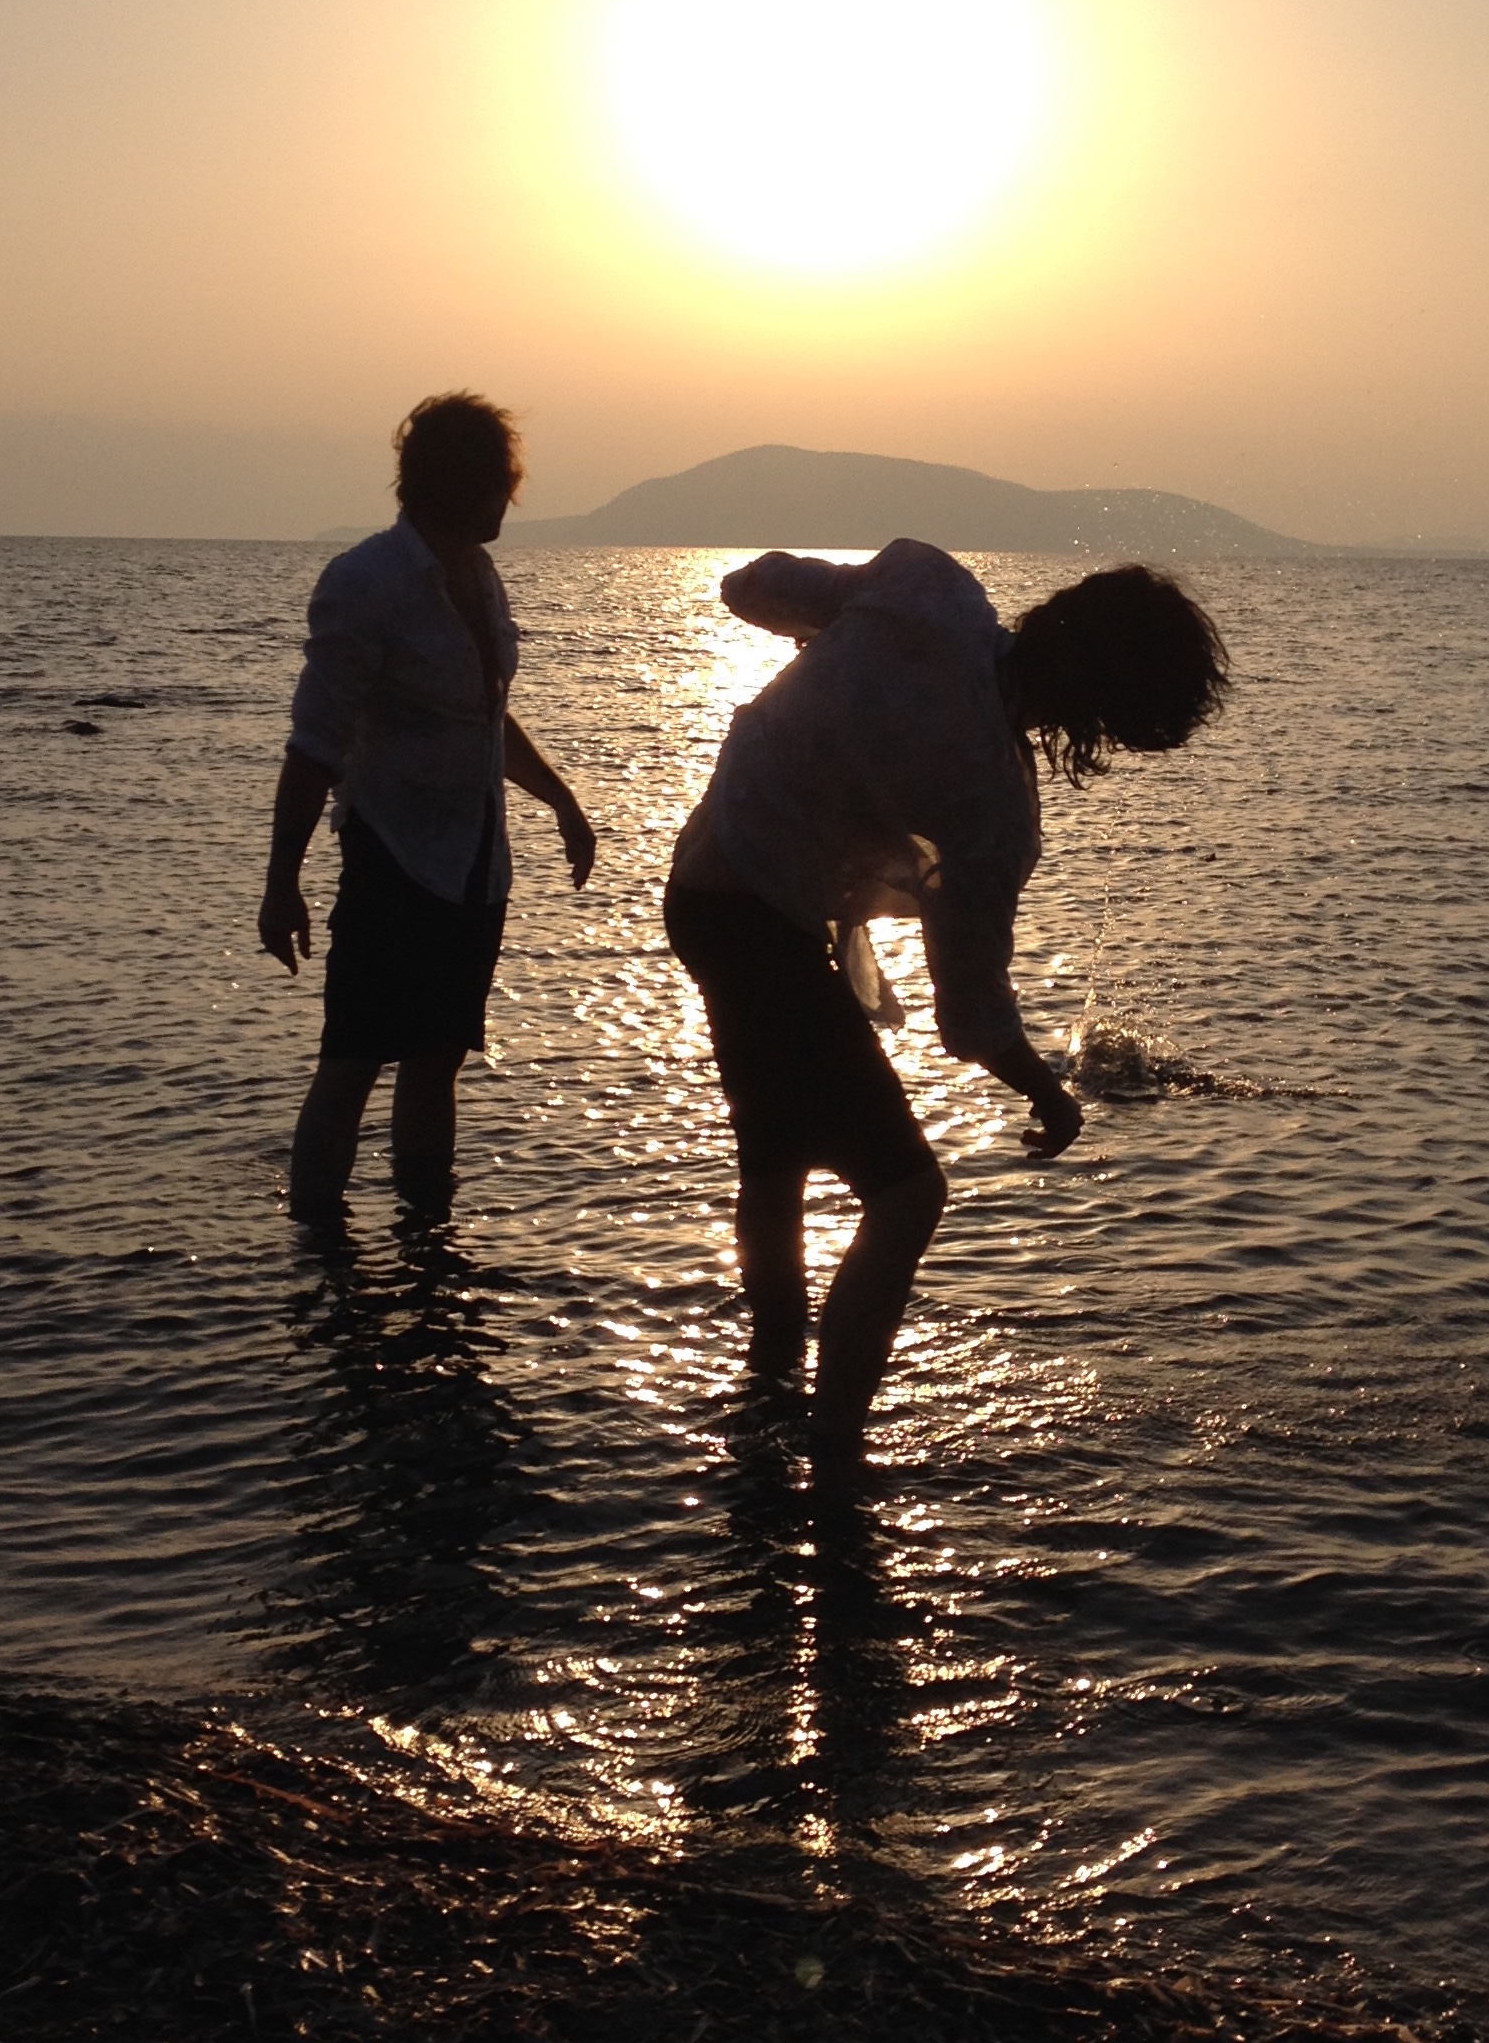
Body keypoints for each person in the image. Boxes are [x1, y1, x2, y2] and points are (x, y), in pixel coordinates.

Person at [664, 538, 1228, 1467]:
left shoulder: (930, 590)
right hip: (757, 927)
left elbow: (751, 585)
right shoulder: (993, 808)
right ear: (1107, 711)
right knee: (908, 1191)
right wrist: (1047, 1092)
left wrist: (825, 648)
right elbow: (969, 1008)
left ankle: (770, 1386)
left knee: (777, 1156)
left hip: (701, 883)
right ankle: (832, 1450)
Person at [259, 392, 596, 1225]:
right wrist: (281, 883)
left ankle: (427, 1235)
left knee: (439, 1058)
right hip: (393, 857)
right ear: (460, 483)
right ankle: (316, 1245)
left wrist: (561, 801)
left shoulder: (478, 576)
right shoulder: (367, 582)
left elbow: (484, 716)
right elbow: (314, 743)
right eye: (500, 481)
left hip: (475, 865)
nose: (510, 498)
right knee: (353, 1060)